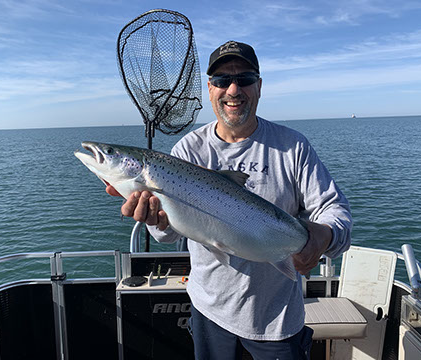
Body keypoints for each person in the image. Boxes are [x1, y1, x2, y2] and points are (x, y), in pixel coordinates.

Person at [107, 40, 352, 359]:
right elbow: (167, 234)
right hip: (210, 313)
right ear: (210, 89)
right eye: (222, 81)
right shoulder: (188, 151)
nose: (233, 89)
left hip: (276, 321)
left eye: (245, 79)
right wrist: (158, 221)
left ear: (259, 86)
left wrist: (323, 236)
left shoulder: (293, 147)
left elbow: (336, 213)